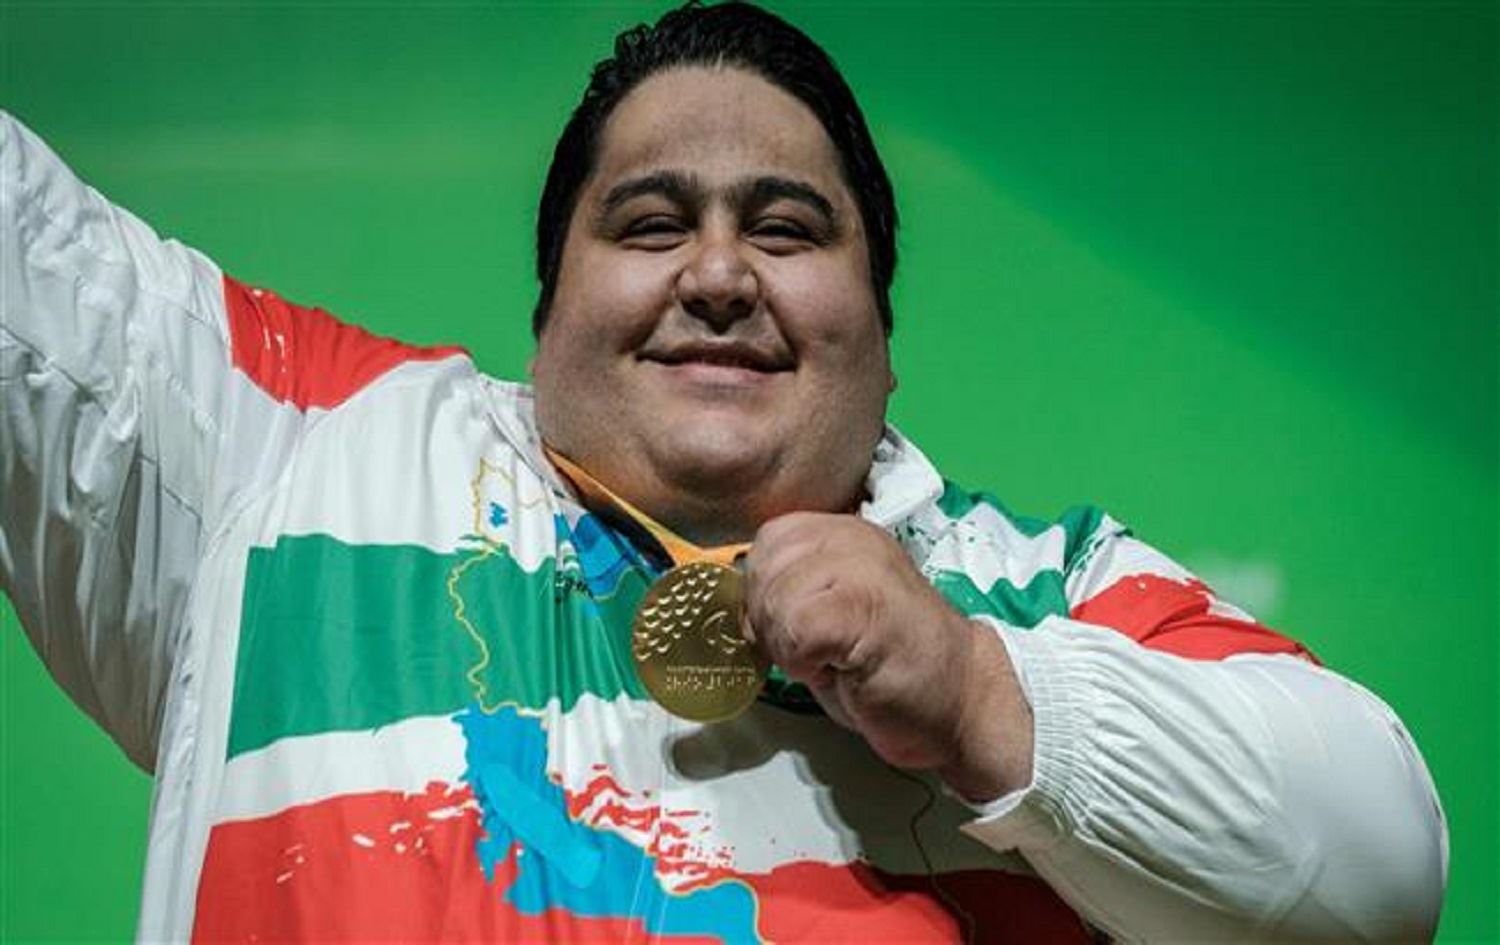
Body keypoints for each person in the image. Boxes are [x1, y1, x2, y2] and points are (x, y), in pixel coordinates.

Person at [0, 2, 1446, 941]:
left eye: (787, 228)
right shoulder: (296, 445)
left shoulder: (1042, 588)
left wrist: (976, 694)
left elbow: (1384, 868)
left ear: (883, 339)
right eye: (649, 223)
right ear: (545, 318)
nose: (715, 274)